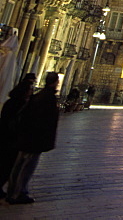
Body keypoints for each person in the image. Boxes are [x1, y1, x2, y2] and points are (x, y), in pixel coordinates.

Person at [6, 71, 60, 204]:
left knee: (21, 166)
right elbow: (43, 120)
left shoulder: (39, 96)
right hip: (34, 139)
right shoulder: (46, 98)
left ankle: (14, 191)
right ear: (55, 82)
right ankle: (17, 193)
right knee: (26, 167)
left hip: (31, 138)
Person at [0, 74, 34, 200]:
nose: (32, 92)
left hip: (7, 138)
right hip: (12, 139)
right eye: (30, 89)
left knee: (6, 164)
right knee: (8, 165)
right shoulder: (19, 104)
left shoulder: (11, 102)